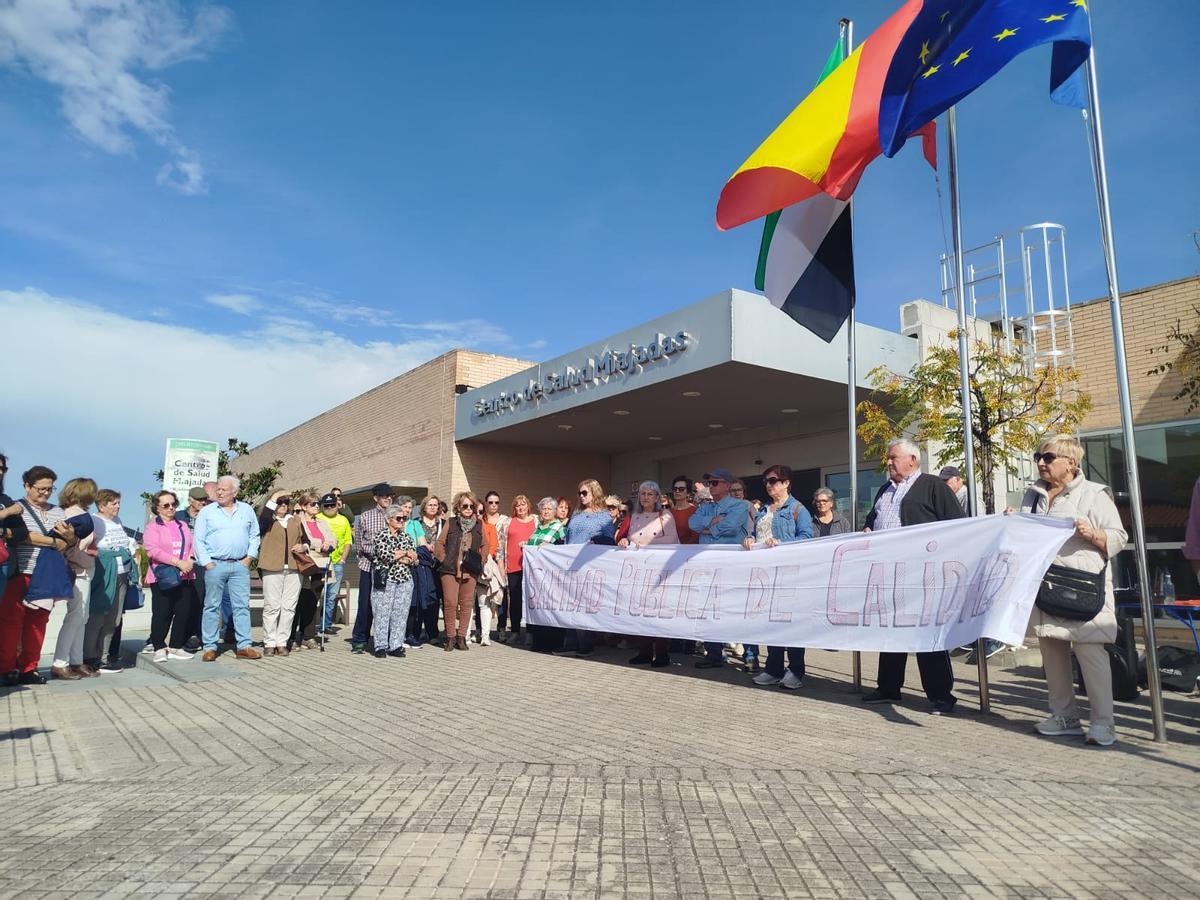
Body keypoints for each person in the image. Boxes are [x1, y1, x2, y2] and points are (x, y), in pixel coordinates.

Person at [1020, 435, 1127, 747]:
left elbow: (1118, 536)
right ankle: (1064, 717)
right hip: (1046, 585)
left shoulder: (1094, 494)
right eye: (1038, 455)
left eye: (1049, 456)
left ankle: (1103, 723)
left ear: (1071, 462)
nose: (1041, 462)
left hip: (1082, 588)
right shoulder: (1033, 494)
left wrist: (1094, 534)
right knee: (1051, 653)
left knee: (1090, 653)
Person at [862, 438, 964, 714]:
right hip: (890, 572)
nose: (889, 462)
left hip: (922, 575)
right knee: (891, 632)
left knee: (925, 633)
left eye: (893, 457)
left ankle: (941, 695)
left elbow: (957, 526)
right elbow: (873, 519)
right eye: (888, 457)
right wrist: (869, 529)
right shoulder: (885, 489)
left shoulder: (933, 487)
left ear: (913, 460)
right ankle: (888, 687)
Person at [0, 466, 77, 687]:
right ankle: (6, 668)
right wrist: (55, 542)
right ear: (27, 486)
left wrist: (70, 538)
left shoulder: (58, 512)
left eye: (50, 489)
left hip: (46, 575)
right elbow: (22, 537)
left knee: (38, 622)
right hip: (19, 571)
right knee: (10, 622)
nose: (45, 493)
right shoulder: (16, 508)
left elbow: (69, 540)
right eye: (40, 488)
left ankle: (29, 668)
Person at [743, 465, 814, 687]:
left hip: (788, 574)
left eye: (773, 480)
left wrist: (782, 544)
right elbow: (756, 534)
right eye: (766, 481)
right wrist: (749, 540)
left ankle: (795, 670)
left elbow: (806, 538)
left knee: (790, 623)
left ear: (786, 483)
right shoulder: (763, 509)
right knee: (770, 623)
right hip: (765, 574)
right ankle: (773, 668)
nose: (769, 485)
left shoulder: (798, 509)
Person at [690, 467, 754, 669]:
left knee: (740, 609)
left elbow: (732, 527)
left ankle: (750, 654)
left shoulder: (740, 505)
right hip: (709, 565)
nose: (711, 486)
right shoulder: (706, 507)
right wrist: (712, 521)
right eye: (709, 483)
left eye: (715, 483)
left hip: (733, 566)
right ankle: (714, 653)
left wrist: (708, 528)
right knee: (709, 609)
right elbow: (693, 523)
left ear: (727, 485)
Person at [193, 475, 262, 661]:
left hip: (240, 565)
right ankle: (209, 647)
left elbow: (255, 535)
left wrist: (249, 558)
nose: (219, 491)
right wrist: (207, 563)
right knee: (212, 606)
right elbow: (198, 540)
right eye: (218, 489)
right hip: (215, 564)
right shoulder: (207, 512)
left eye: (224, 489)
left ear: (235, 492)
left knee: (241, 606)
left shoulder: (246, 510)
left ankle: (244, 646)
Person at [619, 481, 678, 668]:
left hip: (659, 568)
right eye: (643, 493)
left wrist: (648, 545)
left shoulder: (665, 515)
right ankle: (643, 651)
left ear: (657, 497)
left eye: (650, 494)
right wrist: (623, 540)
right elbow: (630, 537)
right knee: (640, 609)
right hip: (639, 569)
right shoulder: (635, 516)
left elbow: (671, 539)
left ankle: (661, 653)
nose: (646, 497)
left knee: (657, 611)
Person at [83, 489, 138, 673]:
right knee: (98, 616)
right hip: (104, 573)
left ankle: (104, 657)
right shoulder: (94, 520)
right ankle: (89, 657)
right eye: (113, 503)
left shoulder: (118, 521)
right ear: (101, 505)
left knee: (114, 618)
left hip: (122, 573)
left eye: (118, 503)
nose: (118, 506)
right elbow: (89, 546)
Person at [143, 490, 197, 661]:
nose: (171, 508)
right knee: (162, 612)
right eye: (166, 505)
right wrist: (177, 562)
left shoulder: (183, 525)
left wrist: (190, 560)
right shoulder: (153, 527)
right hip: (163, 576)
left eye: (173, 504)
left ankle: (175, 646)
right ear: (157, 508)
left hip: (185, 575)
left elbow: (193, 545)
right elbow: (153, 551)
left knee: (183, 611)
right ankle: (159, 646)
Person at [565, 479, 616, 656]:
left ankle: (586, 643)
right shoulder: (577, 514)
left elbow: (610, 540)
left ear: (595, 493)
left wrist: (596, 541)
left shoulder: (603, 515)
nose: (581, 496)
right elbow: (568, 537)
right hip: (571, 564)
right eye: (579, 493)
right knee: (569, 602)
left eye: (584, 492)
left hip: (589, 565)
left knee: (585, 603)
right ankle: (570, 642)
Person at [55, 477, 100, 679]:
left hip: (81, 568)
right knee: (76, 616)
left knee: (81, 617)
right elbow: (70, 547)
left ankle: (75, 660)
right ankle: (61, 662)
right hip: (77, 569)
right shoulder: (77, 516)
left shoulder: (74, 514)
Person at [434, 491, 487, 652]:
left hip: (470, 569)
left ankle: (462, 637)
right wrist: (444, 559)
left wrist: (481, 560)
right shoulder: (451, 523)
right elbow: (439, 544)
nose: (468, 509)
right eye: (465, 505)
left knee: (466, 604)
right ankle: (450, 636)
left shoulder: (479, 524)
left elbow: (485, 546)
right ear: (458, 506)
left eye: (472, 506)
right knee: (450, 603)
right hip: (450, 569)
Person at [256, 489, 306, 657]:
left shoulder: (295, 520)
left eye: (286, 503)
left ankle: (282, 642)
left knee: (289, 607)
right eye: (280, 502)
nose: (283, 505)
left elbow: (305, 540)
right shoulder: (267, 521)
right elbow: (261, 524)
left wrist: (303, 547)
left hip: (294, 568)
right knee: (272, 606)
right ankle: (269, 642)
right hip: (272, 567)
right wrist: (275, 496)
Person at [350, 483, 394, 654]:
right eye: (384, 496)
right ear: (376, 498)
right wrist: (371, 556)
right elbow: (360, 543)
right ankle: (360, 639)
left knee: (387, 606)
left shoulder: (397, 515)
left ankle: (385, 640)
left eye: (390, 495)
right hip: (369, 566)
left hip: (391, 568)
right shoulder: (366, 517)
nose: (388, 498)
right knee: (365, 604)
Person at [370, 504, 418, 658]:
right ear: (388, 519)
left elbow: (414, 558)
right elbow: (386, 555)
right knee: (382, 613)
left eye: (404, 518)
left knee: (400, 613)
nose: (402, 521)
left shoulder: (406, 536)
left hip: (404, 579)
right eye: (398, 518)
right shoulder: (381, 535)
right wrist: (404, 554)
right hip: (386, 580)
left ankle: (396, 645)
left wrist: (402, 556)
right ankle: (380, 646)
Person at [292, 493, 334, 650]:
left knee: (312, 601)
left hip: (322, 565)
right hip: (305, 564)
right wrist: (319, 544)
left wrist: (328, 545)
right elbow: (303, 542)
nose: (317, 506)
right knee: (298, 601)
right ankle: (291, 637)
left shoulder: (322, 522)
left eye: (318, 504)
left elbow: (333, 540)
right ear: (303, 506)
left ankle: (307, 636)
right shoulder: (297, 521)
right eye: (312, 504)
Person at [526, 497, 568, 653]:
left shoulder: (558, 527)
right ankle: (539, 641)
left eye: (549, 509)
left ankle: (553, 642)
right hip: (536, 577)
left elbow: (564, 546)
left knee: (551, 607)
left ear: (555, 511)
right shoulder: (538, 527)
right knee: (539, 607)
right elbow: (534, 545)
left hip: (552, 576)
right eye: (543, 508)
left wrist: (552, 546)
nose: (545, 511)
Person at [406, 495, 444, 646]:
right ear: (424, 507)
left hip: (438, 565)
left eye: (435, 505)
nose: (433, 507)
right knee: (420, 598)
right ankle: (416, 631)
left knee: (434, 599)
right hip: (421, 564)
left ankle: (432, 632)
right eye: (430, 505)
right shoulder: (416, 523)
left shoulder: (443, 523)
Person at [177, 486, 211, 650]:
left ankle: (196, 635)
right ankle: (177, 636)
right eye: (199, 500)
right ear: (190, 500)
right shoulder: (178, 517)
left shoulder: (209, 517)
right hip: (180, 563)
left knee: (199, 600)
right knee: (180, 602)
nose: (202, 503)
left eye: (205, 500)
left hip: (199, 564)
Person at [502, 495, 537, 644]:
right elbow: (502, 543)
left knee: (530, 599)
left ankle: (530, 632)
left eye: (523, 505)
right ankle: (515, 631)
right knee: (515, 599)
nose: (521, 508)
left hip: (531, 566)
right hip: (513, 566)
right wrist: (502, 564)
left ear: (528, 506)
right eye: (518, 505)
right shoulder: (508, 522)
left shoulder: (536, 520)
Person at [317, 492, 353, 632]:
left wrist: (343, 559)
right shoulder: (317, 518)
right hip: (320, 561)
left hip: (337, 563)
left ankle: (325, 625)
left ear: (337, 505)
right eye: (326, 506)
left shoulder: (343, 520)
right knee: (315, 594)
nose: (330, 508)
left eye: (332, 505)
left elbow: (348, 542)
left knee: (331, 596)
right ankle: (309, 627)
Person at [0, 454, 30, 610]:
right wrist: (6, 513)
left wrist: (3, 531)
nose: (0, 472)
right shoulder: (10, 507)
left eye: (2, 468)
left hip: (2, 562)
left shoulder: (5, 500)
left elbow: (22, 532)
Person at [668, 475, 698, 545]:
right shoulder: (667, 512)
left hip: (688, 550)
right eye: (675, 489)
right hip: (669, 550)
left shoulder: (695, 512)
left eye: (681, 489)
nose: (677, 491)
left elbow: (695, 537)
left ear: (688, 492)